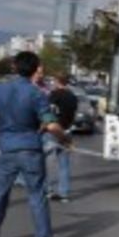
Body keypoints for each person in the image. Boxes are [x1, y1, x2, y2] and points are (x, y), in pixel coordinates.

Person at [0, 51, 69, 237]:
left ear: (14, 66)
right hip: (30, 149)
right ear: (36, 68)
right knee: (37, 196)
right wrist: (65, 138)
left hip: (6, 148)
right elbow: (51, 125)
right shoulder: (37, 93)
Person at [45, 73, 78, 202]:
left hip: (54, 130)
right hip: (67, 130)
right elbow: (73, 113)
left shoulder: (54, 95)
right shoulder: (73, 96)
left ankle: (47, 190)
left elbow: (48, 111)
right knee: (64, 164)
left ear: (57, 81)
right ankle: (64, 193)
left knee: (44, 161)